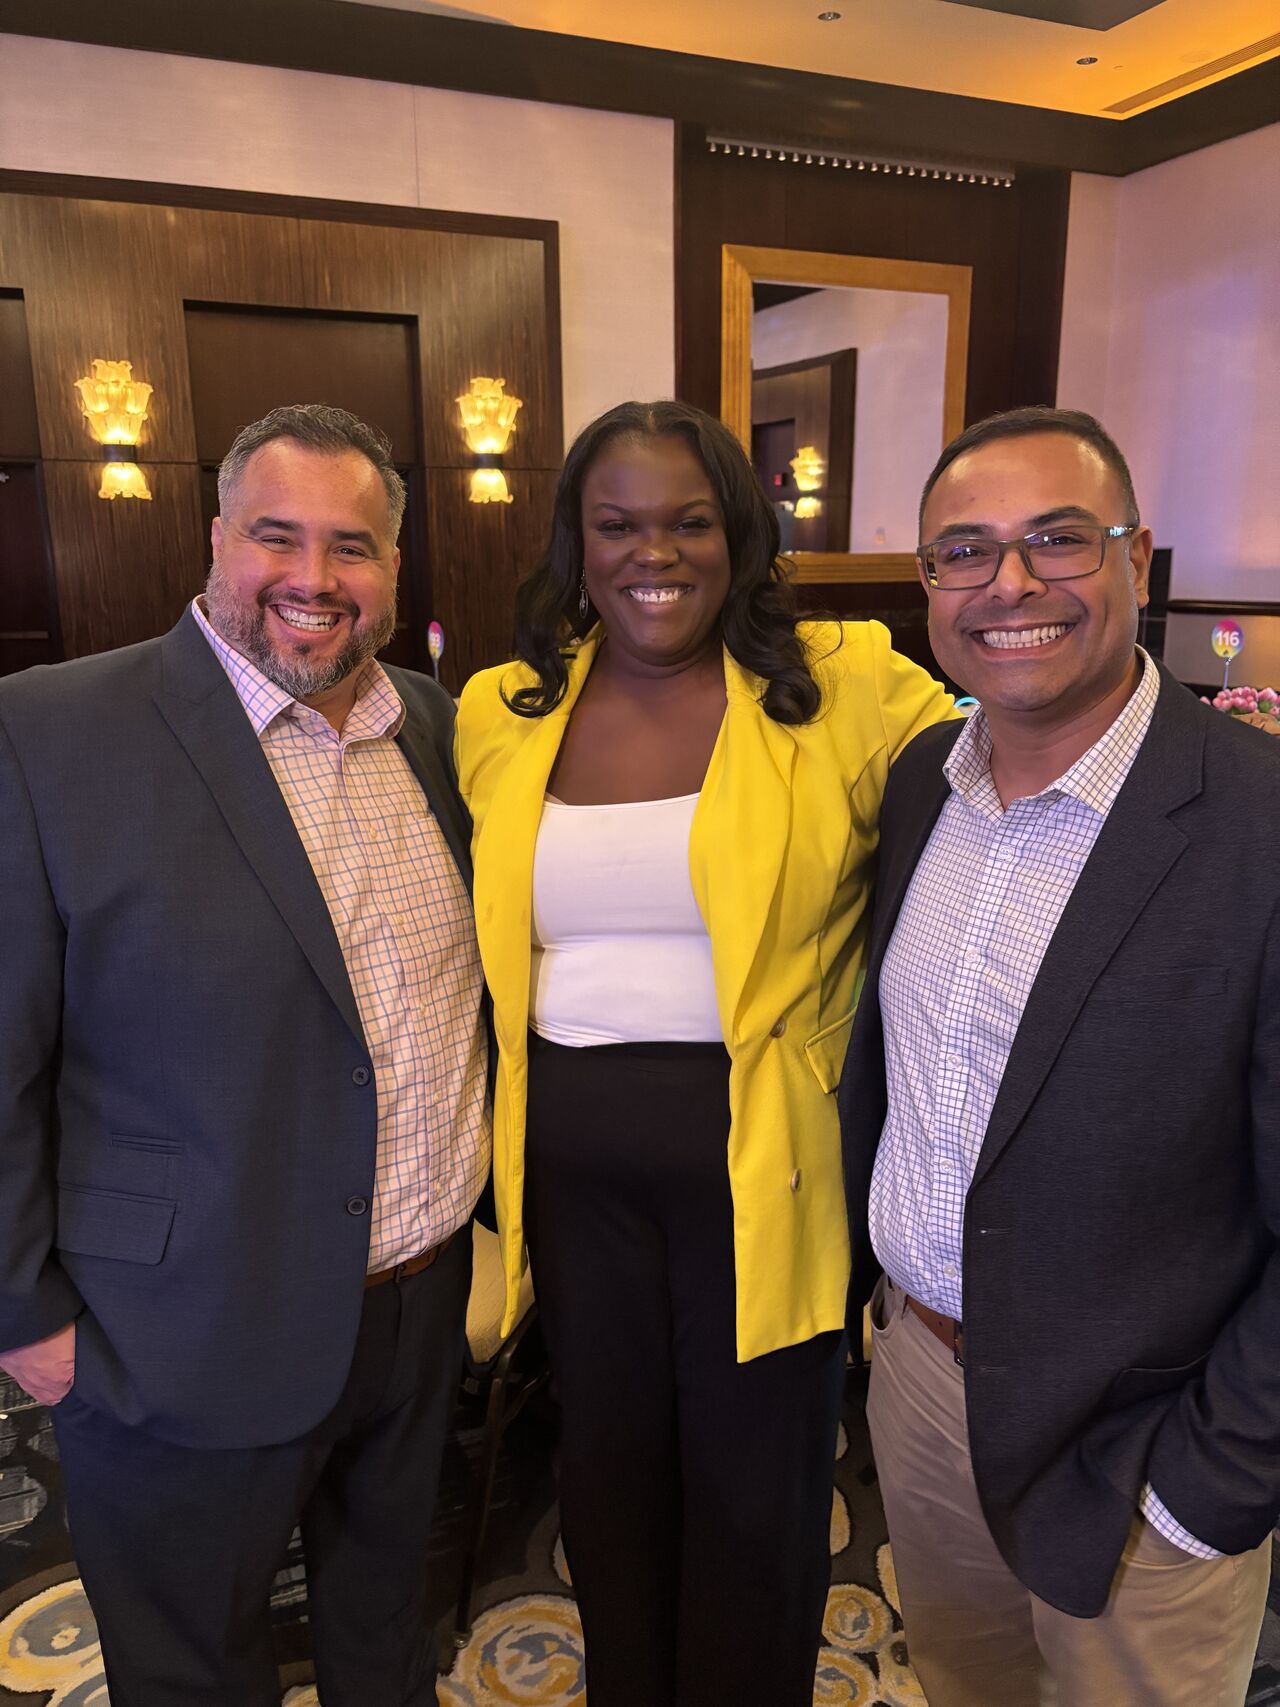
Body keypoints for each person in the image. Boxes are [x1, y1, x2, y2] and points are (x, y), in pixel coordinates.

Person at [454, 399, 954, 1707]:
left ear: (738, 534)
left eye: (687, 521)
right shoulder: (505, 709)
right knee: (609, 1476)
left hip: (763, 1161)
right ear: (576, 538)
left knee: (757, 1490)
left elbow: (999, 766)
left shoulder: (847, 689)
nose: (652, 553)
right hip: (569, 1172)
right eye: (617, 523)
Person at [0, 404, 490, 1707]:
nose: (315, 579)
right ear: (216, 536)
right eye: (278, 535)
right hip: (174, 1326)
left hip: (417, 1294)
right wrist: (23, 1316)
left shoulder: (438, 733)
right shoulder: (48, 732)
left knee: (386, 1615)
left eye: (354, 545)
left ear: (393, 563)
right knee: (193, 1659)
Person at [838, 405, 1280, 1707]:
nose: (1010, 583)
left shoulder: (1258, 827)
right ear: (926, 587)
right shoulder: (923, 781)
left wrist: (1210, 1489)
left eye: (1059, 539)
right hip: (924, 1395)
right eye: (962, 552)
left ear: (1140, 560)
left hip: (1145, 1443)